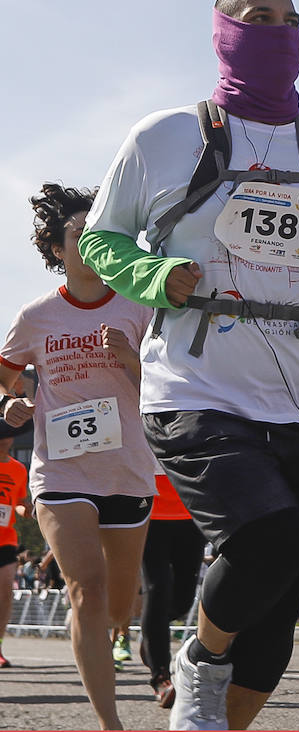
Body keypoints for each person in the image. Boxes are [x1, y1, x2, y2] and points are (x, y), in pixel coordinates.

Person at [80, 0, 299, 730]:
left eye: (290, 19)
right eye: (260, 16)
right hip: (196, 385)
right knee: (265, 537)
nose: (277, 30)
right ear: (222, 30)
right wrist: (156, 275)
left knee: (281, 593)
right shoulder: (164, 136)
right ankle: (198, 660)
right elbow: (102, 239)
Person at [1, 183, 157, 729]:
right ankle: (110, 724)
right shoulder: (37, 316)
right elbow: (6, 374)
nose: (89, 239)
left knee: (117, 607)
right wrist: (16, 398)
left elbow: (168, 387)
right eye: (77, 233)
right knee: (85, 592)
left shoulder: (139, 307)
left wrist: (130, 358)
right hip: (61, 469)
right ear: (56, 249)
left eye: (98, 231)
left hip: (128, 471)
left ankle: (121, 631)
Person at [139, 464, 207, 709]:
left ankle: (151, 634)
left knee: (182, 600)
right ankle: (160, 677)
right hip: (148, 513)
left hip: (190, 513)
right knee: (156, 591)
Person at [0, 432, 31, 669]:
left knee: (4, 592)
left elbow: (19, 502)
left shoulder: (19, 469)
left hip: (6, 538)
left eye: (6, 435)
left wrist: (26, 511)